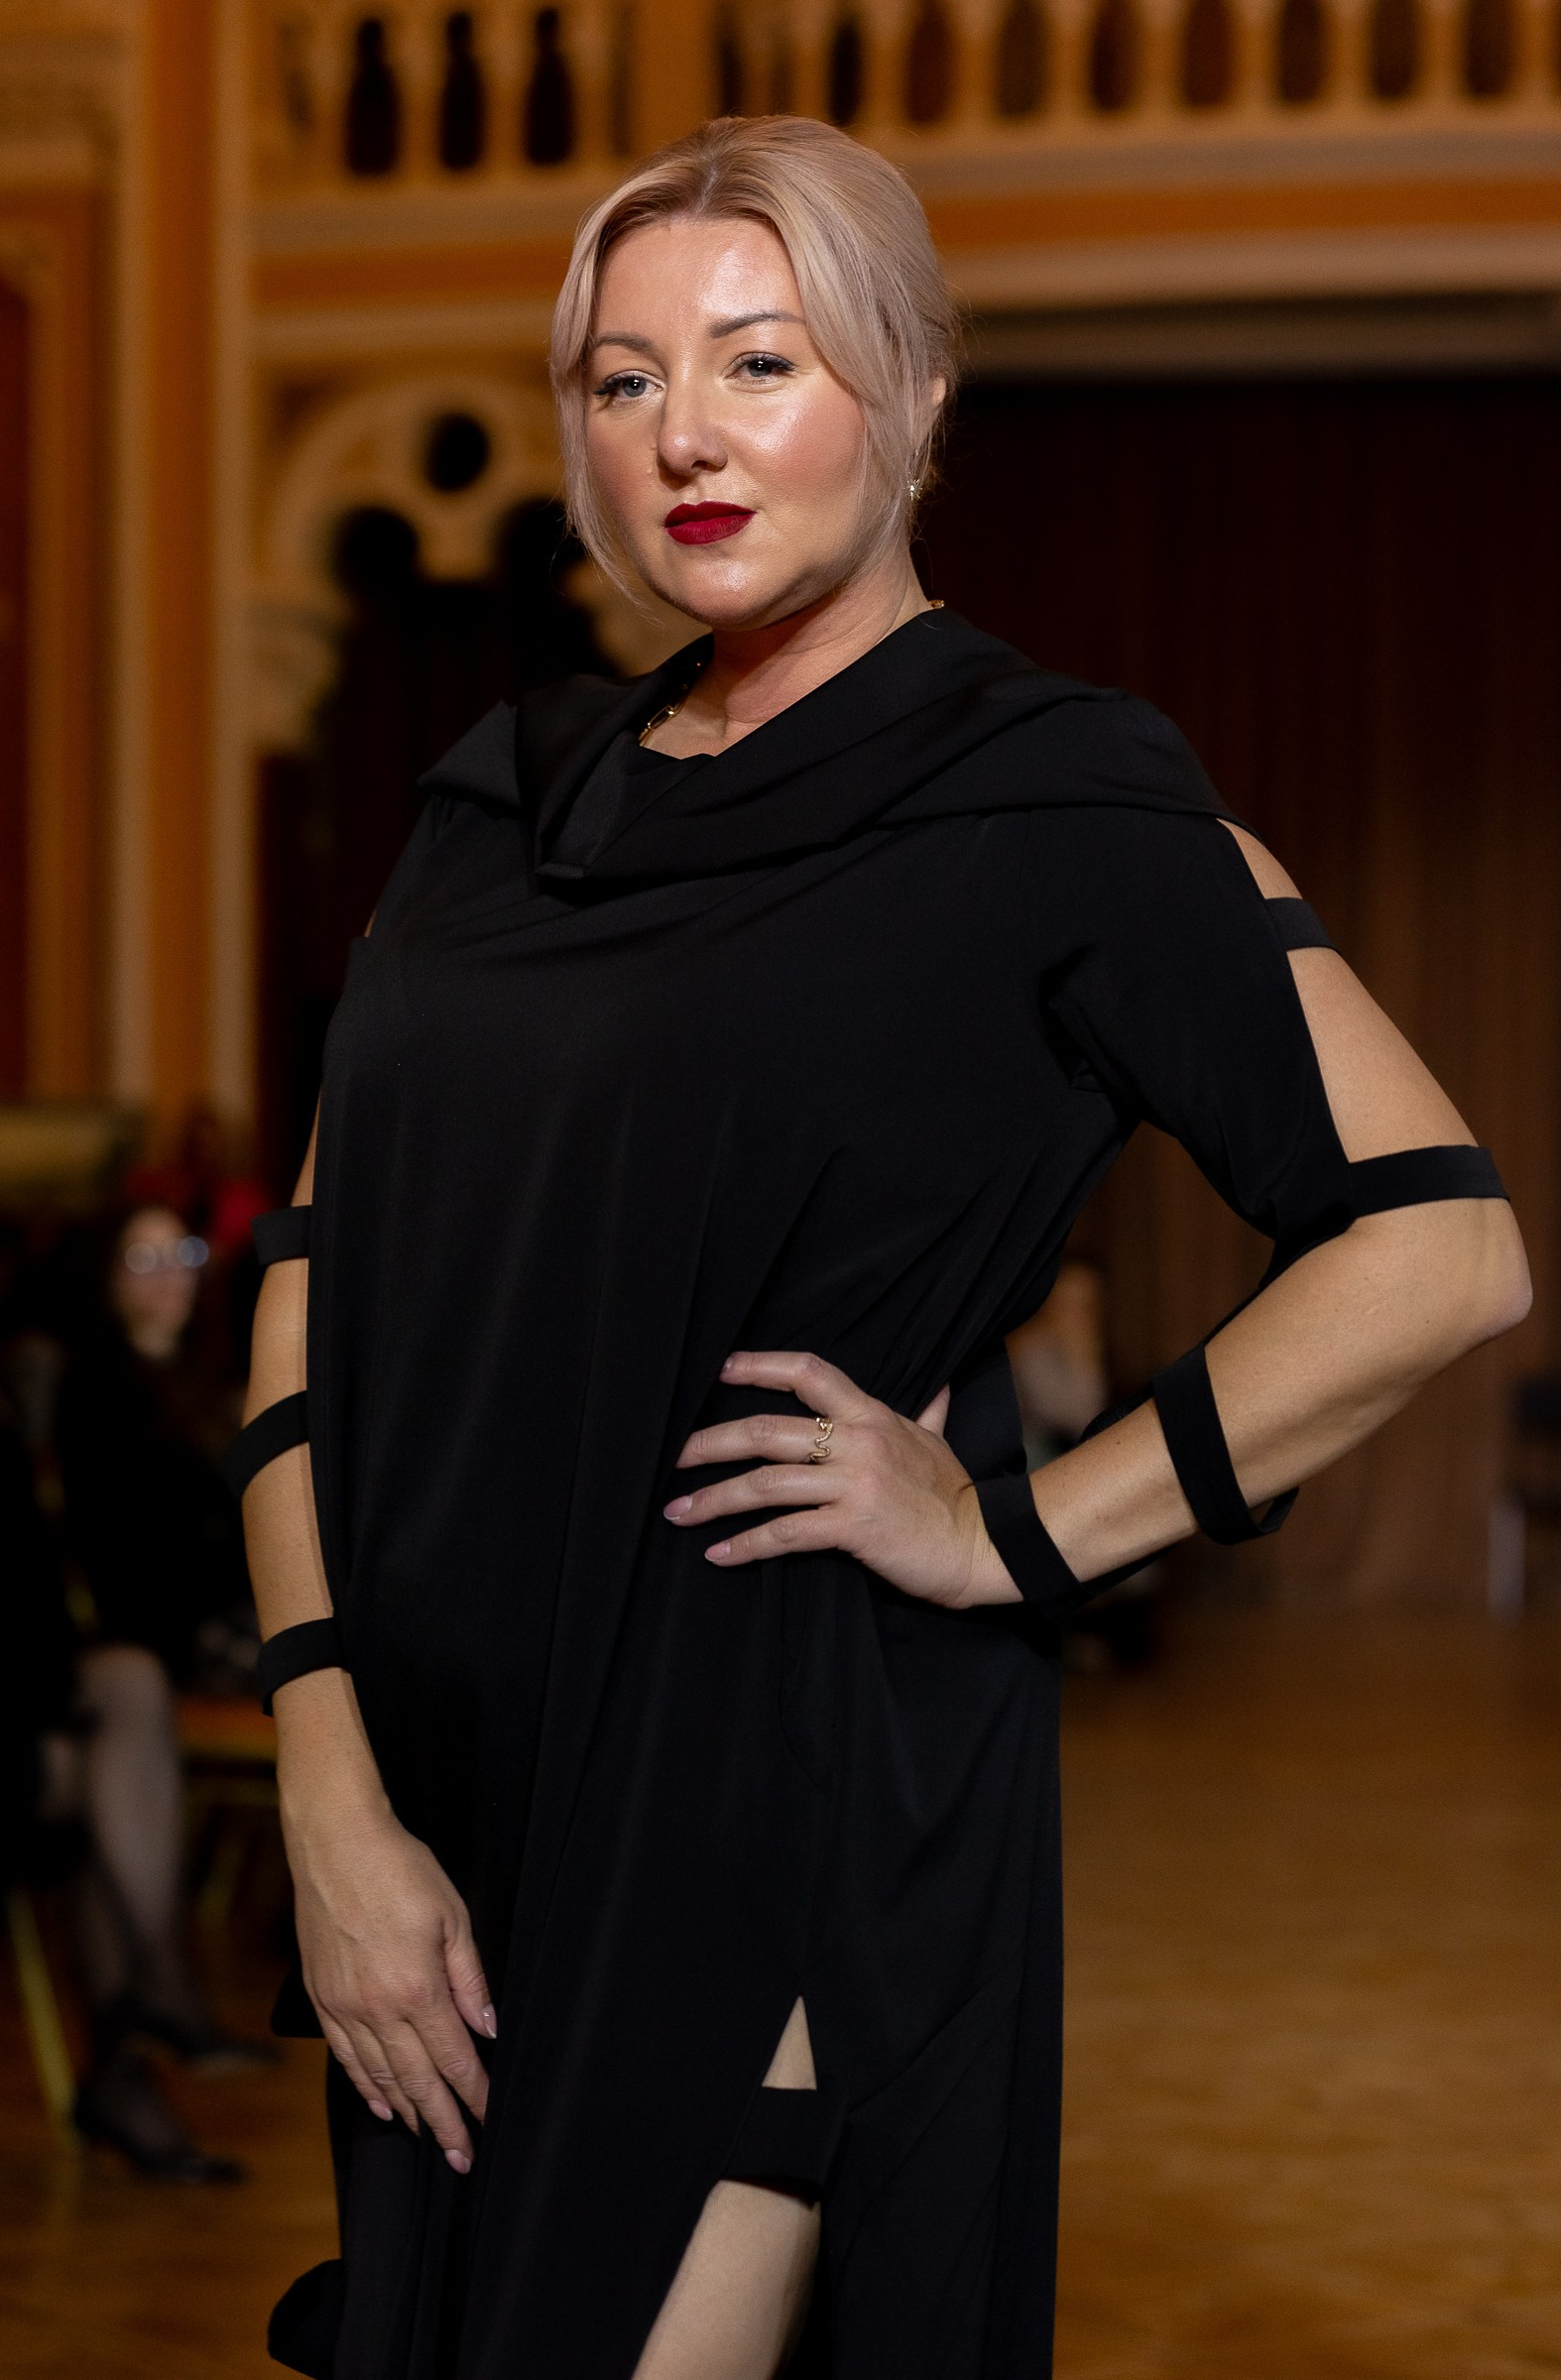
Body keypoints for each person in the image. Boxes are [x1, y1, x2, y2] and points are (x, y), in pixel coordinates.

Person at [239, 118, 1530, 2380]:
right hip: (437, 1809)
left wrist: (1014, 1531)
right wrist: (327, 1780)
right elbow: (312, 1285)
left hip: (773, 1790)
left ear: (915, 394)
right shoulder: (491, 806)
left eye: (761, 360)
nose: (684, 434)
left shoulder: (1052, 795)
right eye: (624, 379)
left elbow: (1436, 1246)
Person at [54, 1203, 268, 2176]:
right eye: (141, 1259)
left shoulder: (202, 1378)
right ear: (104, 1279)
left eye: (180, 1252)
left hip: (185, 1636)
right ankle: (158, 2003)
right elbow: (135, 1552)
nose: (169, 1273)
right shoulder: (99, 1387)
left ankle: (134, 2040)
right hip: (160, 1632)